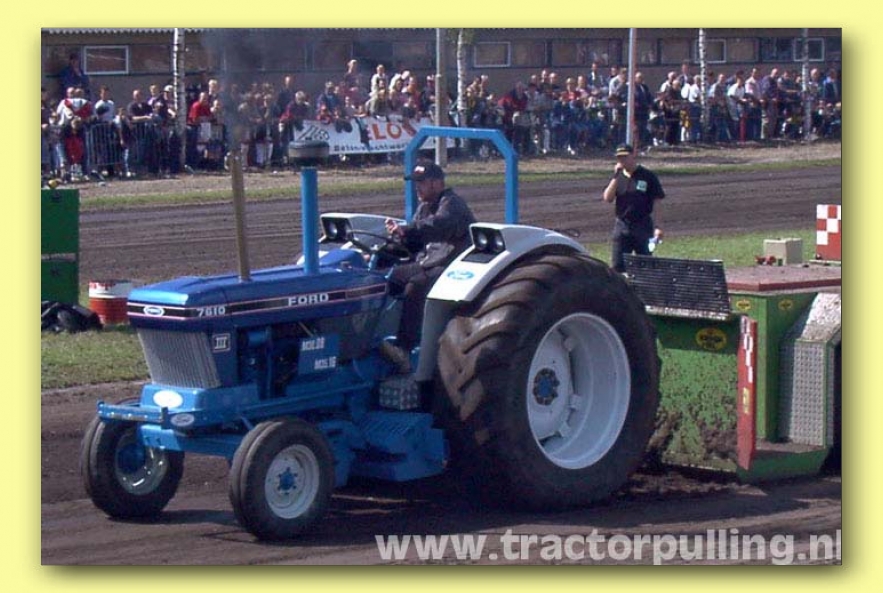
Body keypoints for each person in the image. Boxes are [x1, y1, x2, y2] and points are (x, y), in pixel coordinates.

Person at [380, 163, 476, 373]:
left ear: (437, 183)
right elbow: (416, 241)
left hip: (451, 265)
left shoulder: (452, 204)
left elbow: (437, 227)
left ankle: (404, 349)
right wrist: (392, 242)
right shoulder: (424, 207)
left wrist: (407, 230)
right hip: (428, 261)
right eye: (416, 183)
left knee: (416, 286)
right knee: (384, 278)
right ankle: (377, 336)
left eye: (421, 183)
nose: (417, 188)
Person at [602, 143, 665, 273]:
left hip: (642, 225)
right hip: (622, 226)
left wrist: (658, 226)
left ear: (633, 155)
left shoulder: (647, 176)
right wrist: (615, 176)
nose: (622, 160)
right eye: (619, 157)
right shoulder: (618, 177)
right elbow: (608, 198)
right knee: (618, 266)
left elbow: (657, 202)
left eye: (625, 157)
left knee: (645, 264)